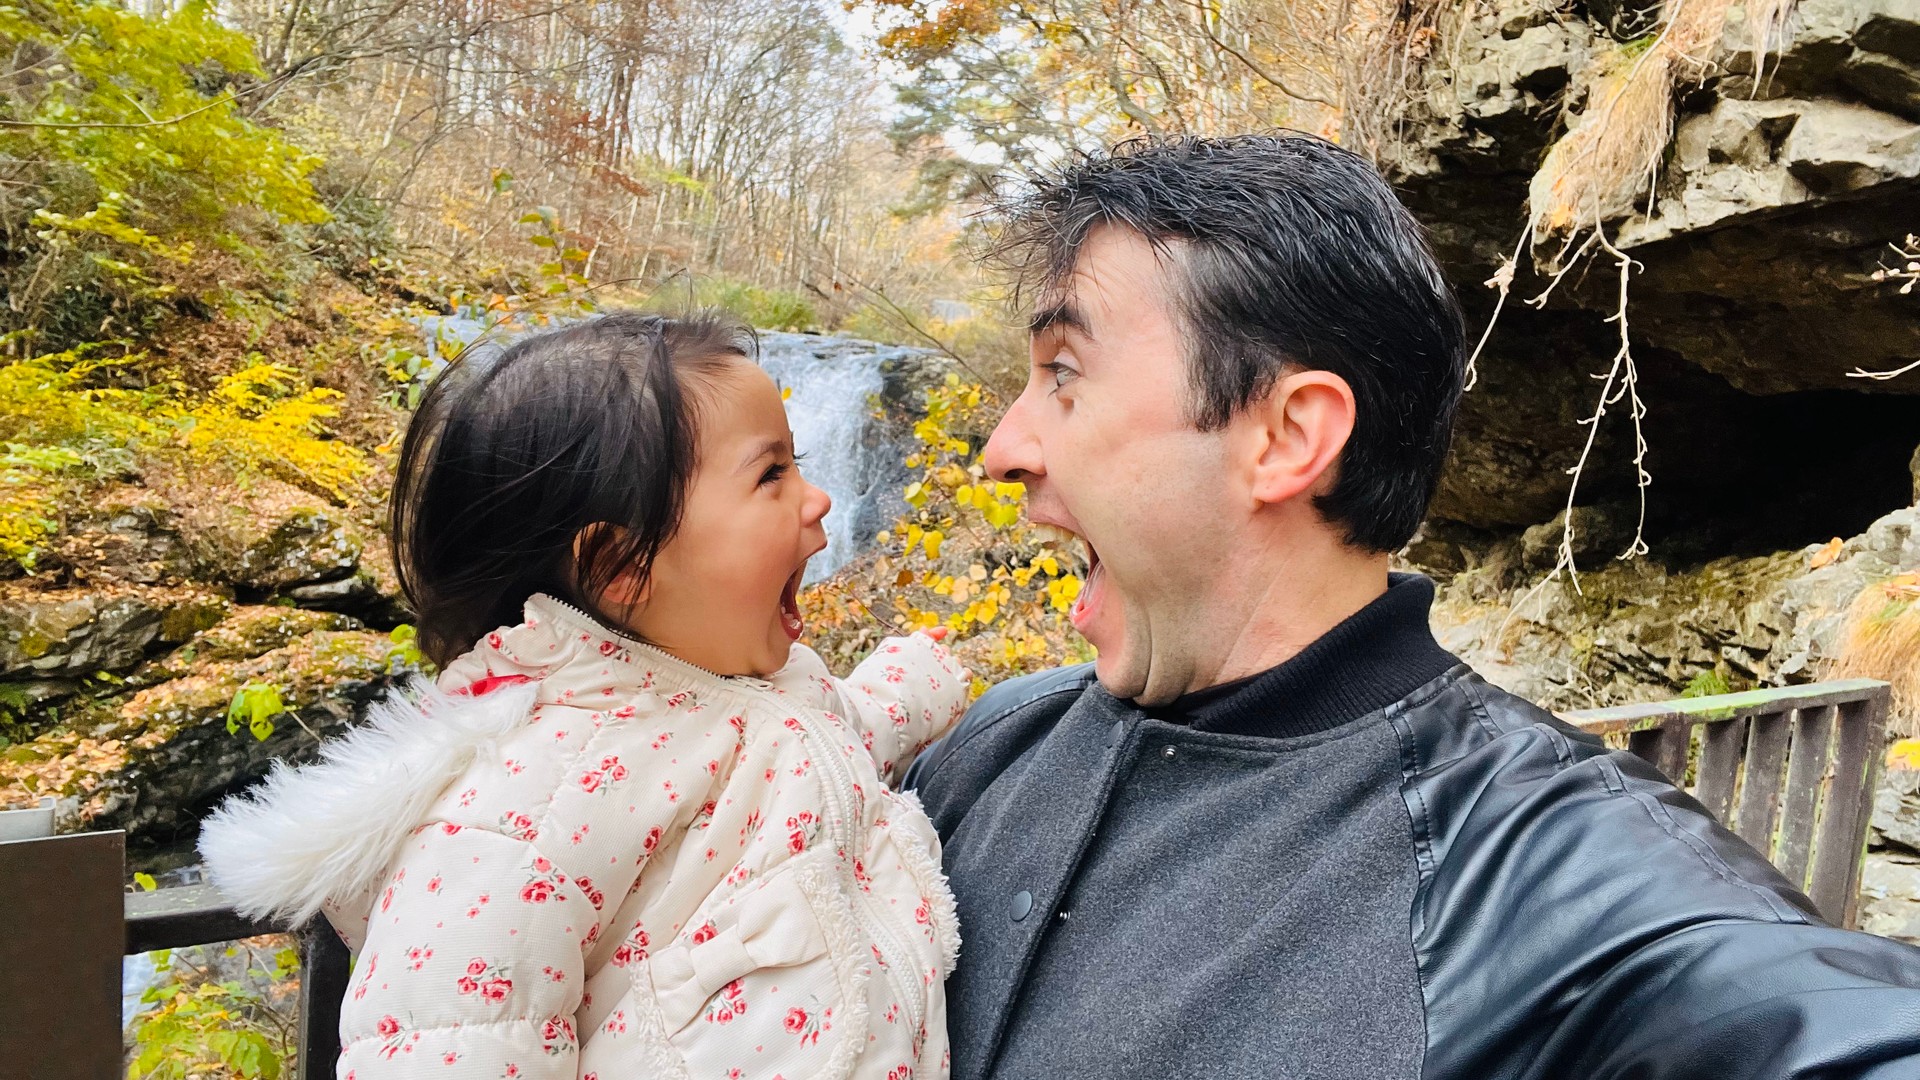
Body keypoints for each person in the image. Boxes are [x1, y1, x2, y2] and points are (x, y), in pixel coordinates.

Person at [904, 134, 1920, 1079]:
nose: (1001, 451)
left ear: (1289, 436)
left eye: (1063, 375)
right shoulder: (988, 746)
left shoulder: (1554, 873)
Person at [200, 312, 969, 1079]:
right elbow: (451, 1043)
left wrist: (918, 684)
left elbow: (836, 732)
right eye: (772, 475)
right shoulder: (527, 805)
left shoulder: (766, 688)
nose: (818, 500)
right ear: (619, 566)